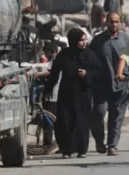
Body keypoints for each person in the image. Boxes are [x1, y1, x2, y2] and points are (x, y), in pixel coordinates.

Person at [45, 28, 99, 159]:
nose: (84, 43)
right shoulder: (64, 55)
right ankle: (66, 150)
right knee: (65, 121)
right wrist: (48, 89)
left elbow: (98, 72)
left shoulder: (89, 55)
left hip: (83, 94)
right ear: (73, 40)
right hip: (66, 93)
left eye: (85, 40)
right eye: (81, 40)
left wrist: (87, 74)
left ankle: (82, 150)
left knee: (82, 122)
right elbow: (55, 73)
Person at [89, 12, 129, 156]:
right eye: (111, 22)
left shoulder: (126, 39)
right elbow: (90, 60)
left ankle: (112, 145)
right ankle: (99, 141)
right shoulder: (97, 41)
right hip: (102, 84)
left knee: (117, 115)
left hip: (122, 84)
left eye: (117, 22)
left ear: (120, 23)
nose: (114, 24)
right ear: (106, 22)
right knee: (98, 113)